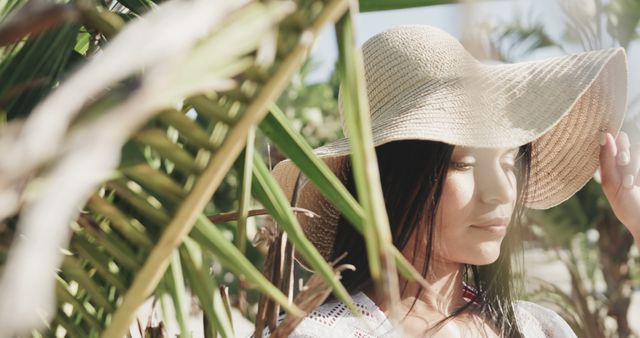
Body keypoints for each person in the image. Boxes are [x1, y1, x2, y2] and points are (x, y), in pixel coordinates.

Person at [267, 25, 638, 337]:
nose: (502, 192)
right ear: (385, 179)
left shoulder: (536, 327)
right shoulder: (317, 333)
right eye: (464, 164)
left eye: (511, 161)